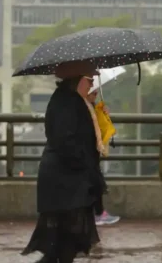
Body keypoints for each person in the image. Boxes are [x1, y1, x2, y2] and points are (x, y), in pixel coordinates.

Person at [22, 61, 107, 263]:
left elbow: (87, 136)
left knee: (65, 244)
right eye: (89, 79)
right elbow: (65, 140)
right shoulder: (64, 103)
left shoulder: (76, 101)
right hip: (64, 181)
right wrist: (84, 164)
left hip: (73, 180)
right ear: (76, 79)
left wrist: (98, 115)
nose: (93, 82)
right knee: (63, 241)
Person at [87, 89, 121, 226]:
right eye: (91, 91)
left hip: (92, 151)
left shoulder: (92, 107)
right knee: (94, 182)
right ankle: (98, 213)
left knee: (96, 182)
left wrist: (103, 115)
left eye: (95, 91)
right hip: (86, 152)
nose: (95, 93)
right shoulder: (81, 107)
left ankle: (98, 213)